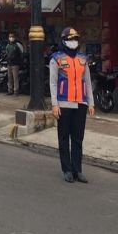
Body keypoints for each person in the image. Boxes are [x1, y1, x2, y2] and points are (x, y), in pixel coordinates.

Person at [50, 27, 95, 184]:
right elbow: (53, 83)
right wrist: (54, 104)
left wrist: (91, 103)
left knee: (78, 138)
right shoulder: (56, 58)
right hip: (63, 103)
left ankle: (78, 170)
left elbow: (88, 82)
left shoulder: (83, 59)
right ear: (63, 41)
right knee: (64, 138)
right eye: (70, 39)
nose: (73, 42)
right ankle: (67, 170)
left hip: (80, 103)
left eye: (75, 39)